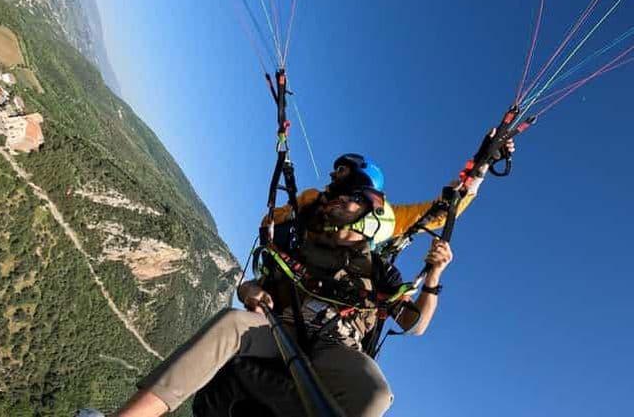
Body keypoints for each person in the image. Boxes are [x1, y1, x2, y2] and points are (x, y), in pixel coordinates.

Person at [112, 131, 515, 417]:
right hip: (280, 331)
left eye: (345, 196)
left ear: (365, 206)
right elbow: (254, 281)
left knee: (375, 396)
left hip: (335, 349)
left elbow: (416, 321)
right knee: (233, 323)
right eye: (333, 192)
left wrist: (434, 274)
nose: (333, 199)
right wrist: (250, 290)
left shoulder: (378, 267)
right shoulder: (299, 237)